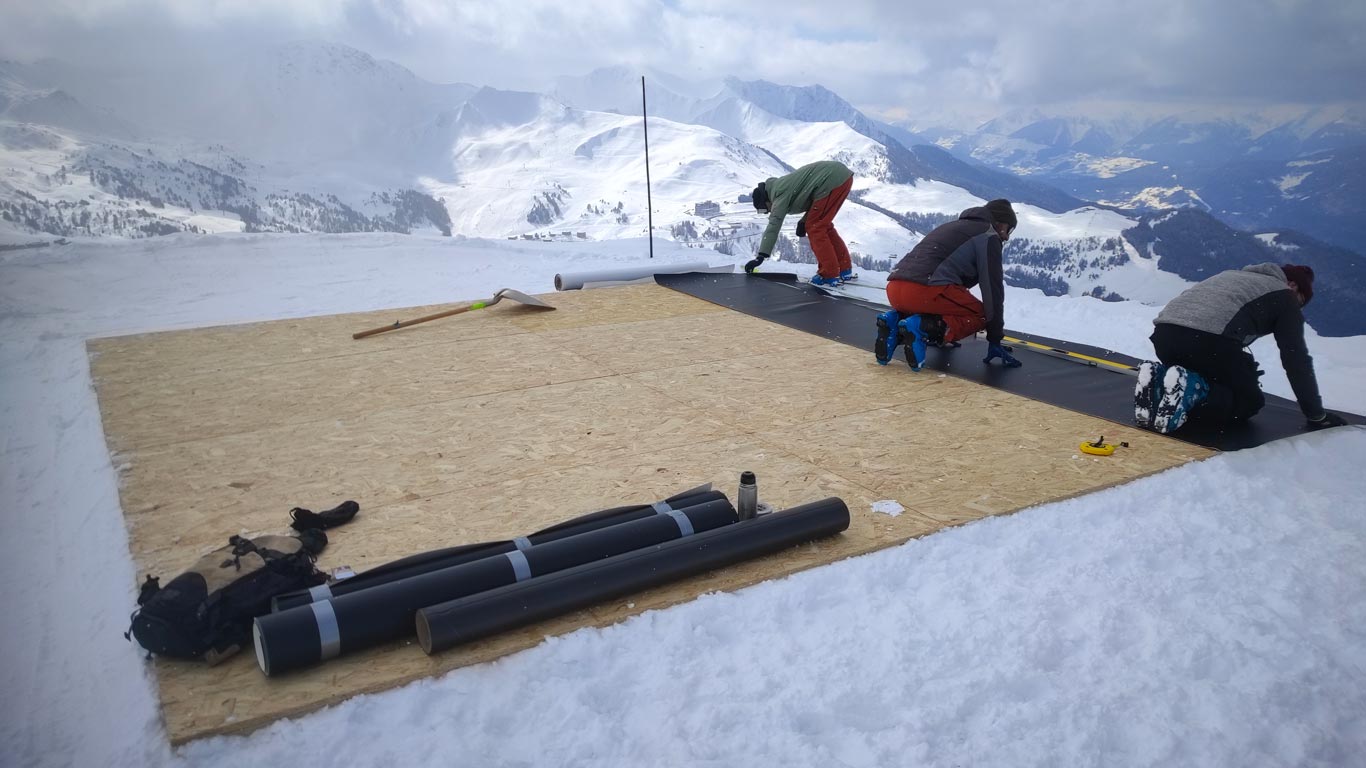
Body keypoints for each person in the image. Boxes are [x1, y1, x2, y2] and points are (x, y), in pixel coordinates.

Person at [1135, 262, 1348, 434]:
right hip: (1210, 340)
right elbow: (1296, 360)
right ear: (1293, 286)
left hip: (1164, 335)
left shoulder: (1231, 275)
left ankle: (1159, 379)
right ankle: (1193, 391)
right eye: (1301, 302)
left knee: (1207, 373)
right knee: (1247, 403)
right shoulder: (1285, 296)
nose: (1299, 307)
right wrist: (1316, 415)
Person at [874, 199, 1021, 371]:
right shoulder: (989, 236)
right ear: (1000, 223)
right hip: (926, 291)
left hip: (895, 289)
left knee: (942, 304)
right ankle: (925, 329)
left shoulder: (953, 226)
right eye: (1008, 229)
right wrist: (995, 338)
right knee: (982, 315)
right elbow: (993, 290)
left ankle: (894, 321)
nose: (1006, 236)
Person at [743, 160, 855, 285]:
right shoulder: (780, 186)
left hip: (830, 181)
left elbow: (774, 225)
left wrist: (760, 257)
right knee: (824, 225)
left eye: (764, 209)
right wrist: (803, 221)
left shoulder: (778, 195)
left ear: (765, 200)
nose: (768, 212)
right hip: (840, 177)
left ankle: (829, 274)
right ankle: (844, 268)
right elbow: (811, 198)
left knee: (816, 228)